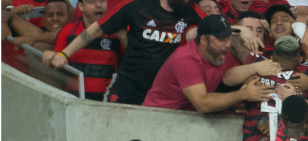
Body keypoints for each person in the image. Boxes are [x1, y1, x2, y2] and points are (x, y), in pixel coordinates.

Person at [43, 0, 210, 105]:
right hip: (128, 85)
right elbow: (94, 30)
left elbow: (219, 30)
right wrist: (64, 54)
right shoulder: (135, 5)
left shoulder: (192, 11)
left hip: (163, 91)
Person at [143, 15, 278, 112]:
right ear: (203, 40)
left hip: (186, 118)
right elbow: (203, 104)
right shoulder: (186, 59)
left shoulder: (221, 52)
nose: (227, 44)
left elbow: (228, 77)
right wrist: (244, 94)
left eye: (228, 38)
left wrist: (251, 75)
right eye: (221, 39)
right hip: (158, 115)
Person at [45, 0, 124, 101]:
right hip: (73, 100)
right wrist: (50, 55)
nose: (99, 5)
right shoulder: (68, 31)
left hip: (106, 102)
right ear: (81, 6)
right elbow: (57, 58)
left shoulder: (116, 33)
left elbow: (133, 57)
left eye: (102, 1)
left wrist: (122, 36)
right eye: (91, 2)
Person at [5, 0, 71, 50]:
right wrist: (13, 13)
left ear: (70, 16)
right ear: (44, 20)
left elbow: (62, 34)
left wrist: (31, 39)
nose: (55, 18)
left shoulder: (75, 32)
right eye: (50, 15)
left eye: (60, 14)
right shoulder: (38, 34)